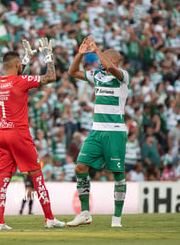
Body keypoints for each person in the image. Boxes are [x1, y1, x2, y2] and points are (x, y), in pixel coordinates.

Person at [0, 38, 64, 230]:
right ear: (17, 65)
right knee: (36, 175)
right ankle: (49, 218)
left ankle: (0, 222)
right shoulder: (21, 81)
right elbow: (51, 77)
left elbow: (14, 75)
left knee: (4, 179)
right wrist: (48, 56)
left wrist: (25, 58)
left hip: (1, 135)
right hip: (19, 134)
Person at [67, 36, 129, 228]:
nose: (99, 63)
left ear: (114, 61)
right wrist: (80, 54)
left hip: (115, 132)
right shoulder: (97, 76)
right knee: (79, 168)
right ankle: (85, 213)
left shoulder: (123, 76)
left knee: (118, 173)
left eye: (102, 59)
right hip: (96, 131)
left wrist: (96, 49)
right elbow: (72, 72)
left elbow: (110, 68)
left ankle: (116, 218)